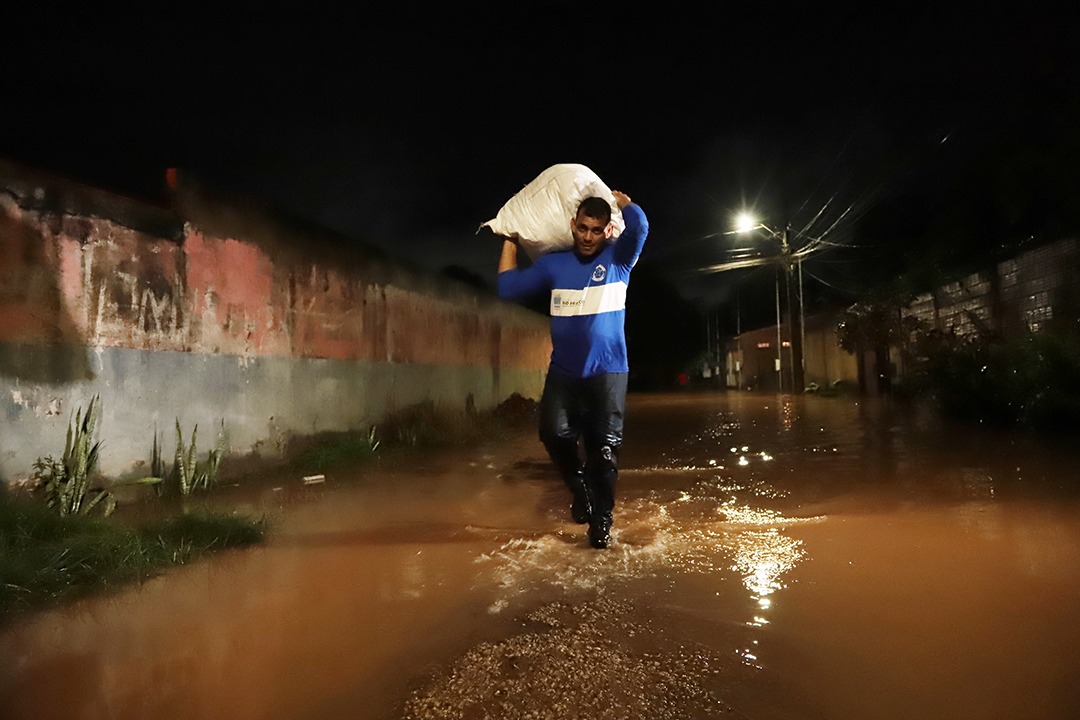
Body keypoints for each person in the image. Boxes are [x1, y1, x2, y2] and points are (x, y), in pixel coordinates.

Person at [497, 190, 649, 549]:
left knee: (605, 450)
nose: (588, 236)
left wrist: (625, 202)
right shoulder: (555, 264)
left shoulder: (619, 259)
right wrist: (509, 238)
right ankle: (579, 490)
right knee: (552, 434)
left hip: (609, 372)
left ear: (607, 230)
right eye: (582, 228)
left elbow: (640, 226)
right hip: (564, 372)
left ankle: (602, 521)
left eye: (597, 230)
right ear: (572, 226)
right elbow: (507, 287)